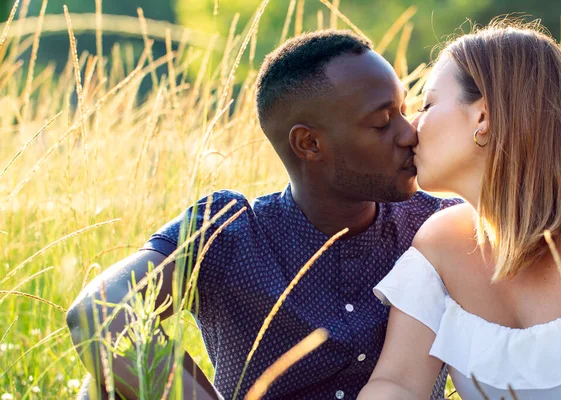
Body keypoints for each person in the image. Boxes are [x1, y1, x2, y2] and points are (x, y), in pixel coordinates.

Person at [66, 30, 459, 400]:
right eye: (381, 122)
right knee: (104, 382)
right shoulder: (228, 231)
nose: (409, 134)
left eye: (405, 111)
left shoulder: (444, 228)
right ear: (309, 143)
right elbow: (98, 312)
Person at [358, 20, 561, 399]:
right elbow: (397, 383)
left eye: (428, 104)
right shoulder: (440, 244)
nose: (413, 127)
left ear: (482, 117)